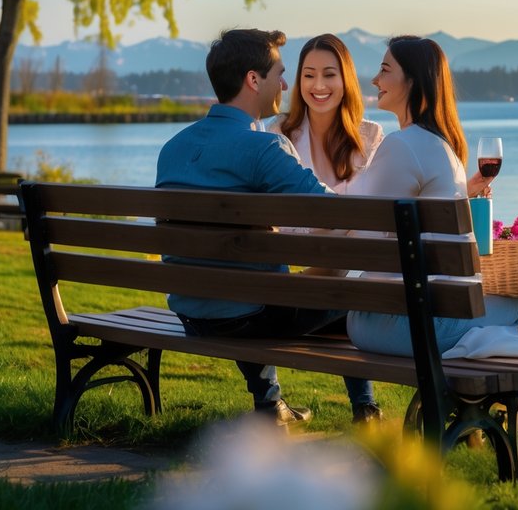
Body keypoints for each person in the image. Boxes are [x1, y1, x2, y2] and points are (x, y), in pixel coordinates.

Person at [346, 35, 518, 443]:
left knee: (513, 307)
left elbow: (364, 230)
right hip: (387, 322)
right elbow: (371, 232)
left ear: (414, 81)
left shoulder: (405, 146)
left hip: (382, 314)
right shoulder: (434, 147)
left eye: (385, 70)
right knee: (517, 307)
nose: (373, 79)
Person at [155, 28, 380, 426]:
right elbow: (337, 215)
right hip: (249, 316)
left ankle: (270, 404)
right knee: (354, 297)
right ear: (253, 80)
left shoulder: (173, 147)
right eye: (279, 72)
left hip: (190, 312)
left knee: (247, 285)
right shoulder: (263, 148)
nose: (285, 83)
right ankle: (367, 409)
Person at [268, 33, 382, 193]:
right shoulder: (280, 131)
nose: (319, 85)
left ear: (345, 80)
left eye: (329, 75)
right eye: (309, 75)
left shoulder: (371, 136)